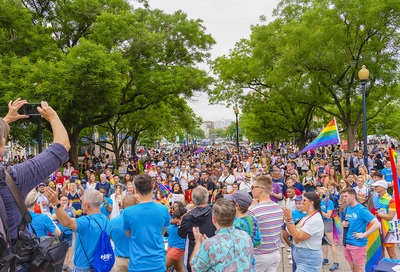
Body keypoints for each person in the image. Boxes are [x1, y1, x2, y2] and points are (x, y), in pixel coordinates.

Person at [0, 99, 70, 271]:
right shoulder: (14, 178)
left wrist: (5, 121)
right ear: (2, 145)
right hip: (14, 263)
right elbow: (62, 145)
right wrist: (53, 117)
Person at [45, 188, 109, 272]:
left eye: (81, 201)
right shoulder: (105, 219)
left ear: (87, 204)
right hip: (100, 266)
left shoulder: (85, 221)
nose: (81, 204)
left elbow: (67, 223)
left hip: (83, 267)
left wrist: (55, 203)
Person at [190, 199, 254, 271]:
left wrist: (198, 242)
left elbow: (195, 268)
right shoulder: (245, 236)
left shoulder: (210, 244)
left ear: (214, 219)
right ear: (233, 217)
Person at [123, 174, 170, 272]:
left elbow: (129, 234)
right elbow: (161, 232)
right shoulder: (164, 209)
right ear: (153, 187)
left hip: (137, 264)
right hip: (157, 262)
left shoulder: (128, 212)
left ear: (136, 190)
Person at [248, 175, 283, 272]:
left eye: (253, 187)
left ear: (260, 189)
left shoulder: (253, 210)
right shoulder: (278, 208)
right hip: (275, 253)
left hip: (259, 255)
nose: (251, 190)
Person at [282, 192, 324, 272]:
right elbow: (292, 231)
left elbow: (297, 237)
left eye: (304, 200)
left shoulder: (314, 219)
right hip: (303, 256)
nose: (302, 202)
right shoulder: (308, 216)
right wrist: (287, 218)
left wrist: (290, 219)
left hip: (308, 259)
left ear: (311, 203)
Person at [341, 187, 380, 272]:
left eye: (346, 196)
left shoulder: (361, 209)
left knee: (359, 269)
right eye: (343, 196)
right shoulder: (346, 208)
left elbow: (377, 224)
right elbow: (347, 222)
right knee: (352, 268)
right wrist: (343, 224)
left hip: (358, 245)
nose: (344, 198)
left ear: (353, 196)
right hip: (347, 243)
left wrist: (364, 234)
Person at [178, 186, 216, 272]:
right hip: (211, 253)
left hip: (194, 254)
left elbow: (181, 234)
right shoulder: (214, 213)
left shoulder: (188, 216)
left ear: (193, 201)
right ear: (207, 199)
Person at [225, 190, 261, 271]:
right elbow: (258, 243)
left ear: (237, 205)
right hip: (250, 261)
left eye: (231, 203)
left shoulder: (235, 224)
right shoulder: (253, 219)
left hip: (238, 265)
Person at [108, 195, 138, 272]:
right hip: (137, 260)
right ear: (136, 205)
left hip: (120, 261)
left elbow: (110, 237)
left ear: (122, 205)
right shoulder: (141, 221)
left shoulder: (112, 222)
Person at [371, 179, 397, 259]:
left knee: (391, 253)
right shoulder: (374, 198)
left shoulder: (391, 199)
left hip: (388, 229)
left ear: (383, 187)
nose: (374, 188)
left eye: (376, 186)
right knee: (380, 253)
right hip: (376, 228)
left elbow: (390, 217)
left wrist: (377, 214)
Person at [318, 187, 339, 271]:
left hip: (327, 222)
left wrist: (319, 210)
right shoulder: (319, 201)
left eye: (322, 192)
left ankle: (336, 263)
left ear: (326, 193)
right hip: (320, 222)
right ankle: (325, 259)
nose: (320, 194)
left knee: (331, 243)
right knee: (324, 242)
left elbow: (328, 215)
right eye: (319, 192)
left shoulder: (329, 202)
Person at [166, 207, 187, 272]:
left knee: (161, 268)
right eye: (172, 208)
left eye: (175, 207)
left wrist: (176, 221)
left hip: (177, 248)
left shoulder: (183, 223)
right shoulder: (172, 218)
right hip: (170, 247)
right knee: (179, 269)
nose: (172, 209)